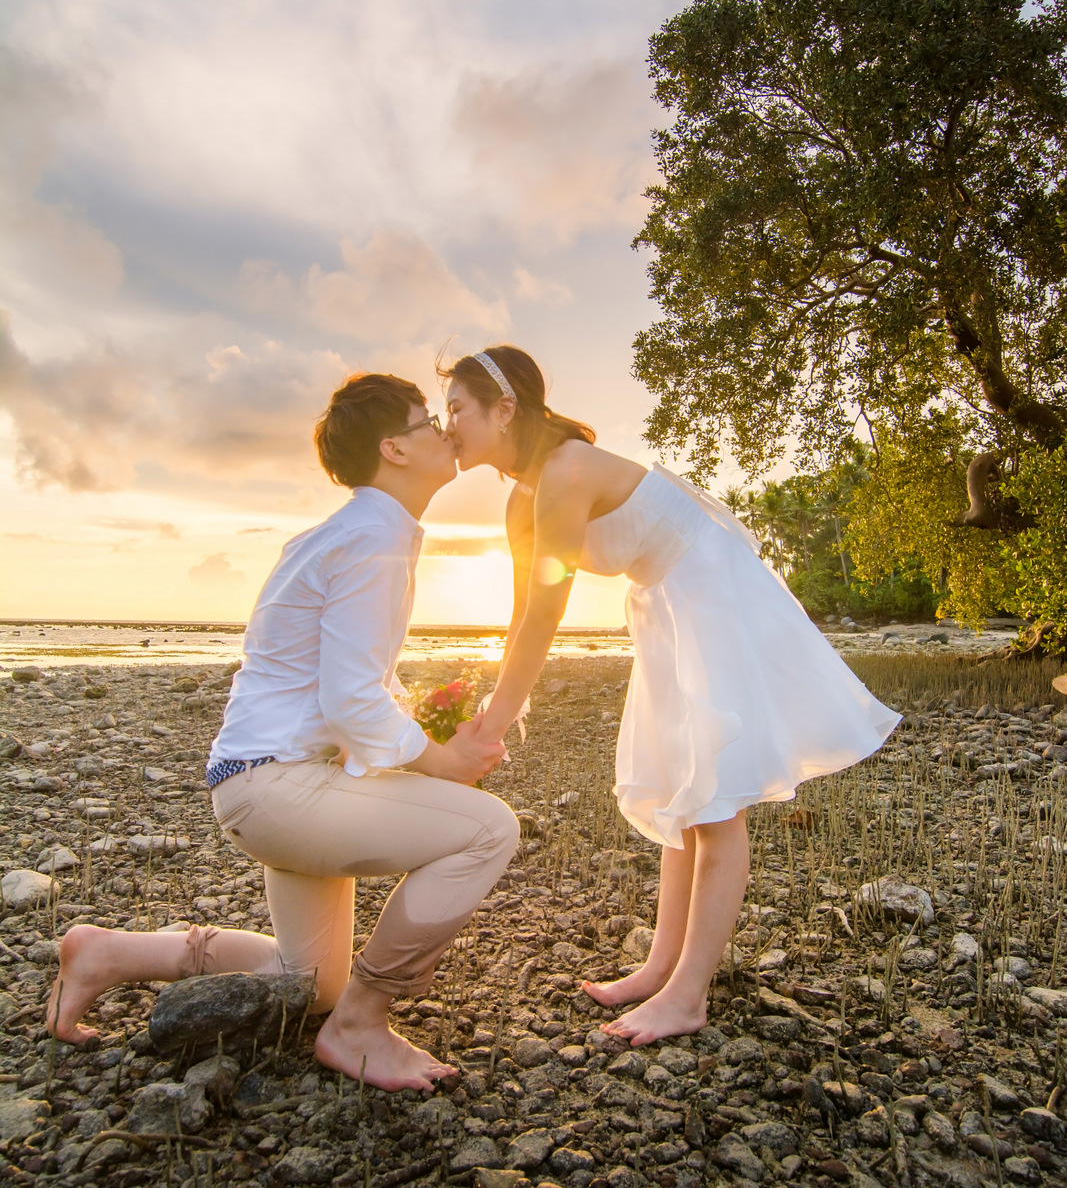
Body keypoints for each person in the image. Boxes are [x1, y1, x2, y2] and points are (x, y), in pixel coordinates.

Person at [48, 373, 517, 1092]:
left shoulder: (355, 530)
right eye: (429, 421)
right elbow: (351, 695)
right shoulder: (373, 537)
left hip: (264, 781)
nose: (444, 432)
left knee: (308, 983)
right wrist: (441, 763)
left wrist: (428, 732)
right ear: (392, 448)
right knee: (487, 829)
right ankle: (361, 1026)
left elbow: (347, 683)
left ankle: (110, 953)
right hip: (282, 787)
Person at [442, 345, 899, 1046]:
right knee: (681, 794)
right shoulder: (520, 497)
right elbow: (518, 612)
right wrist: (496, 709)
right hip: (663, 600)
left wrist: (494, 725)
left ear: (504, 410)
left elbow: (546, 612)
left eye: (456, 409)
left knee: (713, 800)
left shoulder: (564, 472)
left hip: (708, 590)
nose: (448, 424)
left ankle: (688, 994)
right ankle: (660, 965)